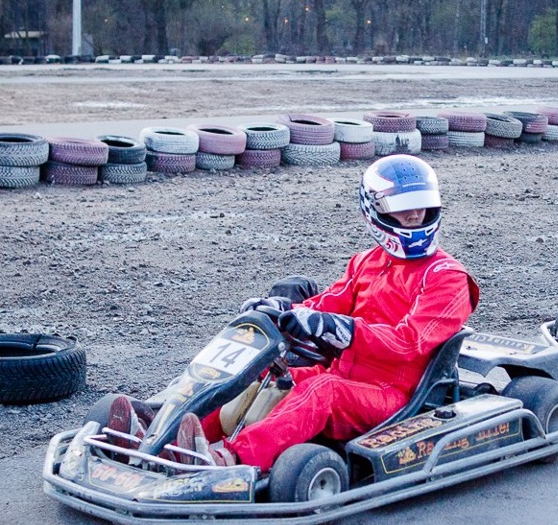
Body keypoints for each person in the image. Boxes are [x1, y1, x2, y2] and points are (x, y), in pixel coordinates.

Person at [110, 155, 479, 471]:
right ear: (376, 210)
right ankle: (167, 440)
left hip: (394, 393)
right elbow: (331, 302)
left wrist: (345, 330)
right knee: (265, 377)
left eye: (421, 204)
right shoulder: (368, 261)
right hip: (344, 373)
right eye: (403, 207)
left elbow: (408, 343)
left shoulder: (446, 278)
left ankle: (228, 459)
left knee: (323, 391)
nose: (415, 214)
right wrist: (284, 311)